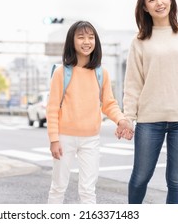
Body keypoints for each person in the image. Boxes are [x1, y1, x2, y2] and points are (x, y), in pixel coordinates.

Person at [118, 0, 178, 204]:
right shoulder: (139, 41)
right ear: (145, 8)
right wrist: (128, 117)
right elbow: (132, 84)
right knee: (140, 177)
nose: (159, 3)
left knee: (177, 181)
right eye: (151, 0)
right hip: (150, 120)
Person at [46, 20, 131, 204]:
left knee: (88, 190)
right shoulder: (61, 72)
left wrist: (121, 120)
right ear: (72, 41)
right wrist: (54, 140)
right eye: (81, 37)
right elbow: (52, 108)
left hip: (91, 139)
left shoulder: (102, 73)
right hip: (64, 138)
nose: (87, 41)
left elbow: (109, 104)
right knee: (58, 187)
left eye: (91, 37)